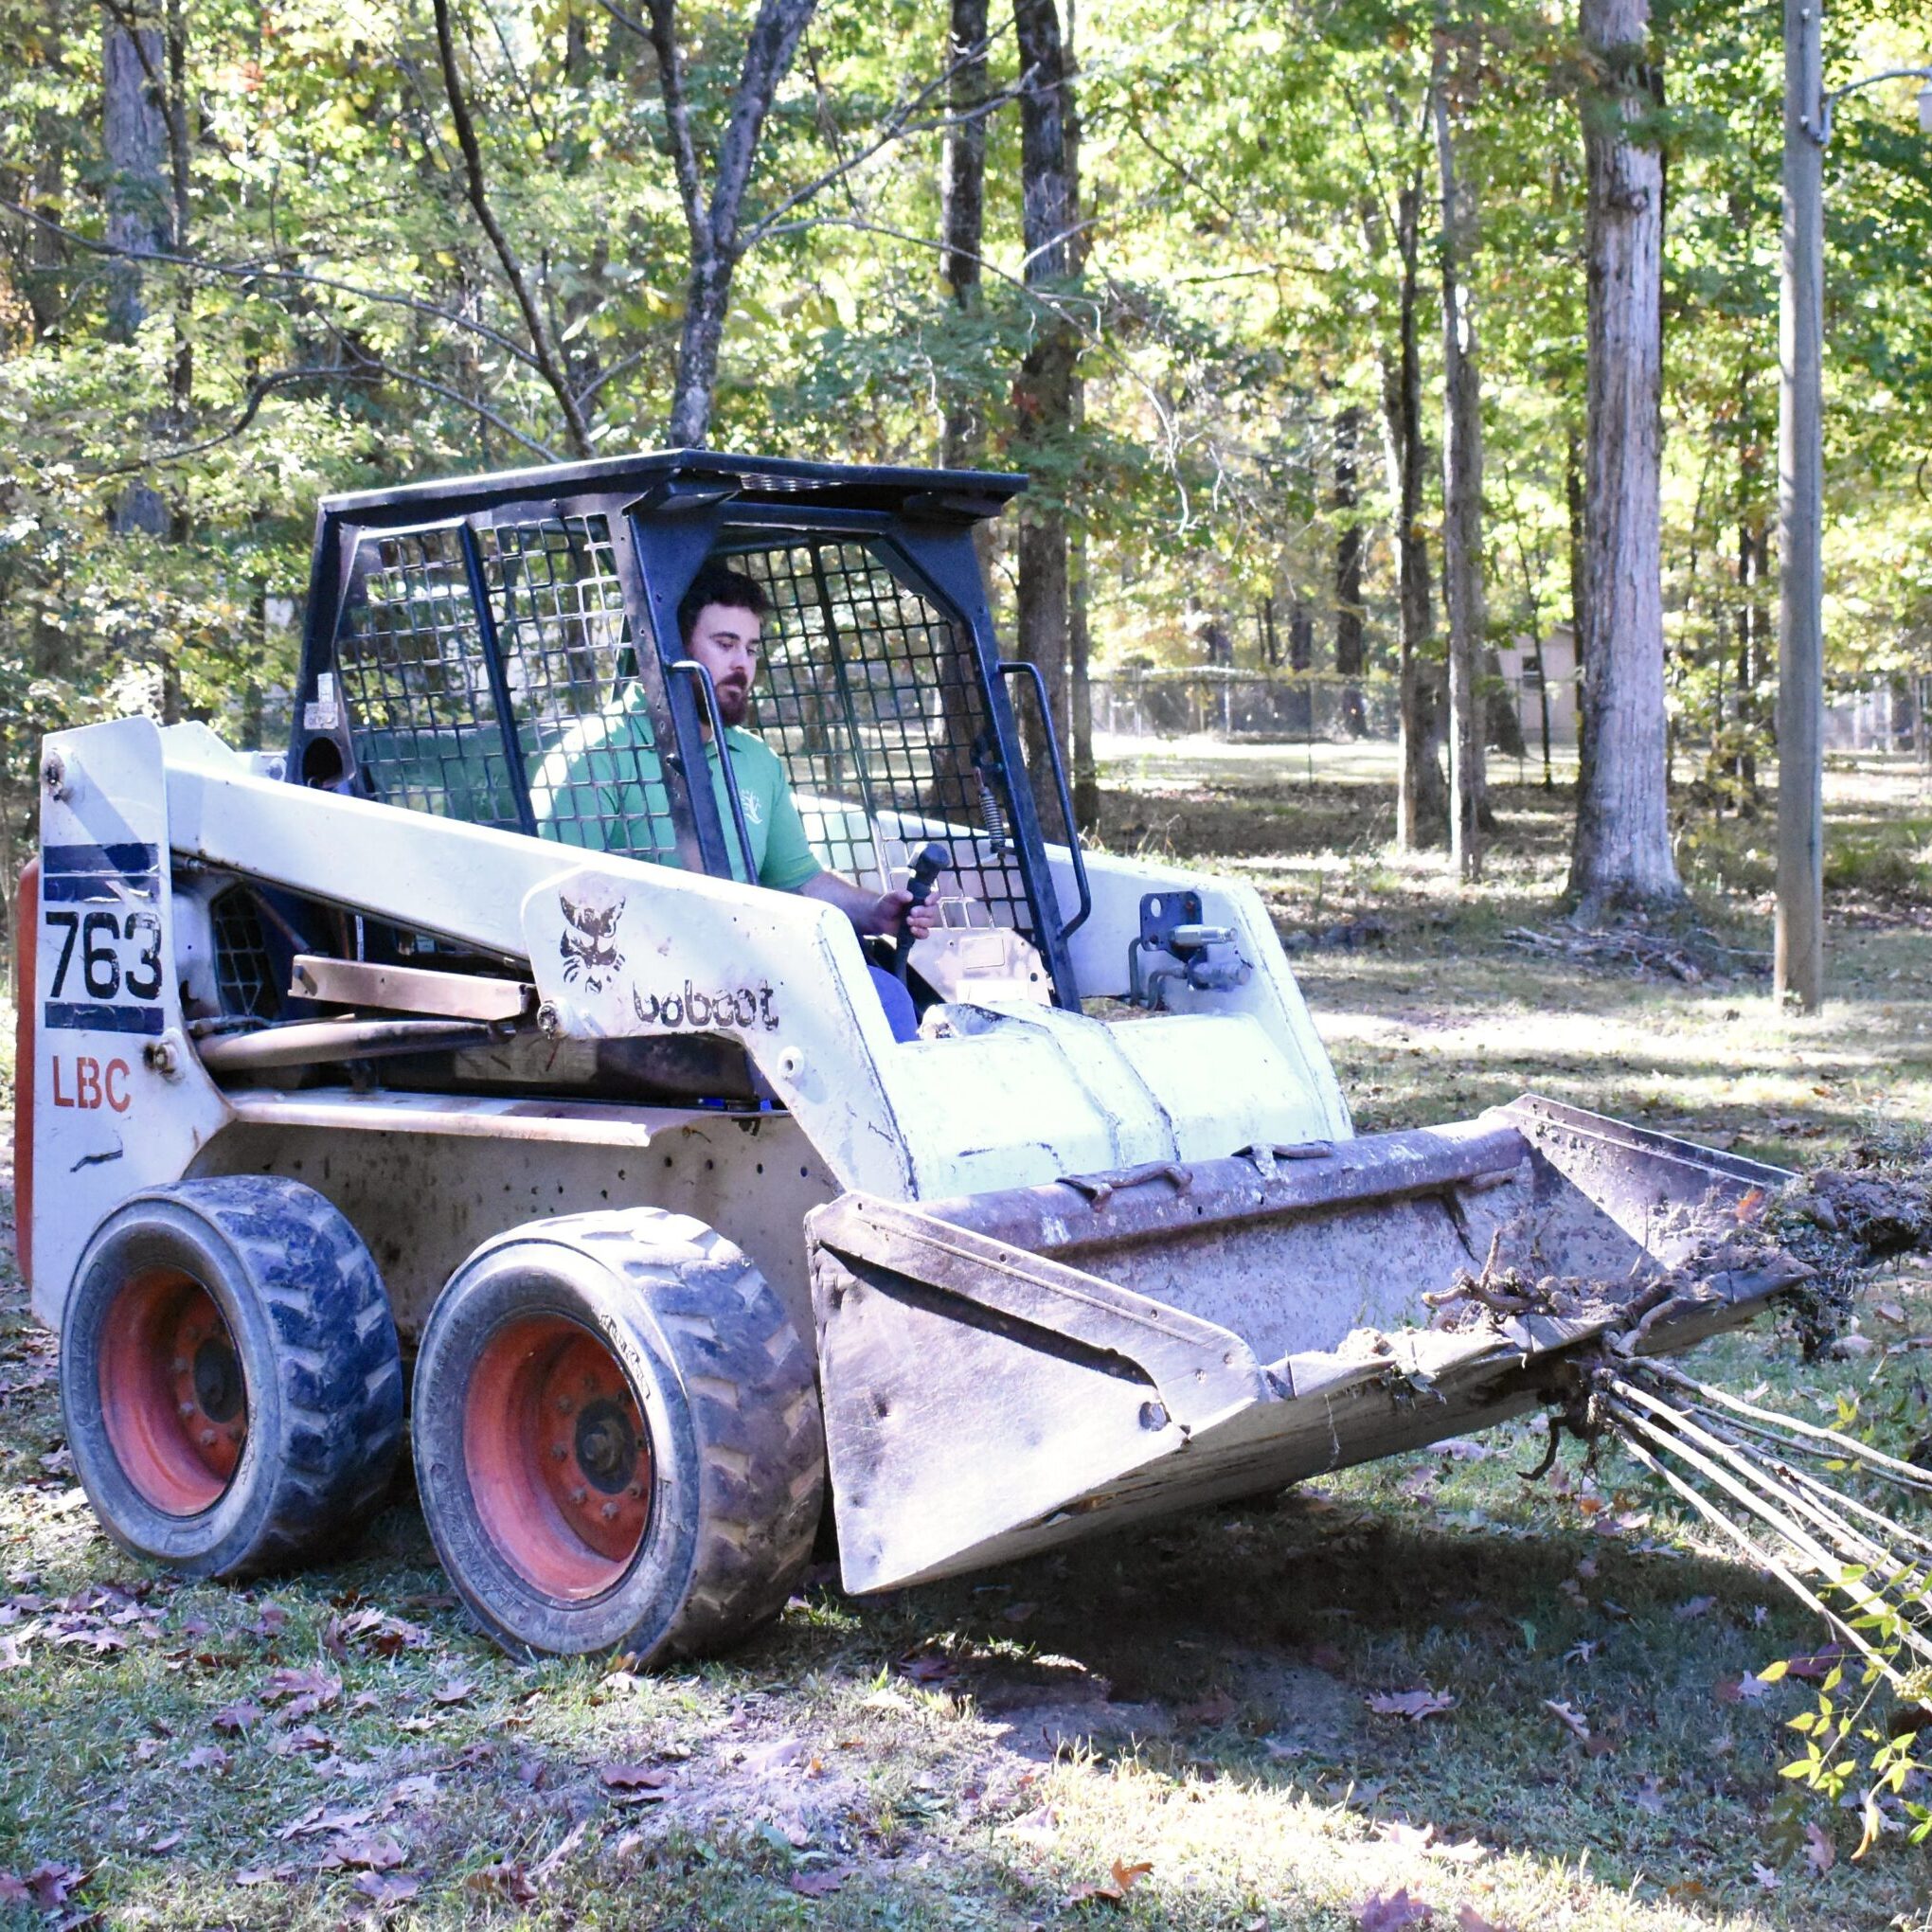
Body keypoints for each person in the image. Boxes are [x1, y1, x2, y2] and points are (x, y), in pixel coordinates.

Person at [531, 562, 934, 1040]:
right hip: (637, 993)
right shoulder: (597, 753)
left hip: (745, 976)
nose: (741, 664)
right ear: (668, 646)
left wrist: (875, 911)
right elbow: (559, 909)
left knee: (887, 995)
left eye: (750, 648)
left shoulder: (756, 760)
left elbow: (797, 881)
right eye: (724, 645)